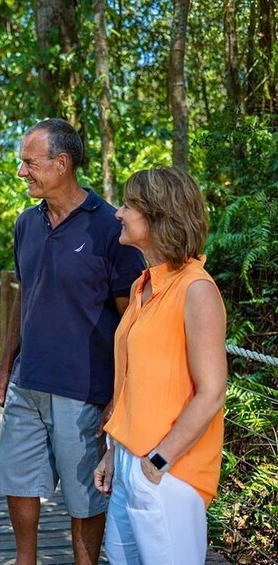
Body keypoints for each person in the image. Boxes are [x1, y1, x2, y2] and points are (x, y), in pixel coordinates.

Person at [0, 118, 145, 565]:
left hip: (84, 388)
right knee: (17, 479)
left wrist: (121, 394)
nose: (22, 172)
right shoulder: (26, 224)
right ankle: (26, 560)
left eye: (29, 162)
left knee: (84, 497)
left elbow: (131, 319)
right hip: (27, 380)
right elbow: (24, 296)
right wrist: (6, 368)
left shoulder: (111, 227)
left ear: (61, 163)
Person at [93, 167, 227, 564]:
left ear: (157, 216)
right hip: (129, 463)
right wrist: (113, 453)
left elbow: (212, 392)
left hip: (169, 470)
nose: (119, 212)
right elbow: (134, 384)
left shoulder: (196, 289)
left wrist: (157, 463)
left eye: (130, 205)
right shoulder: (142, 285)